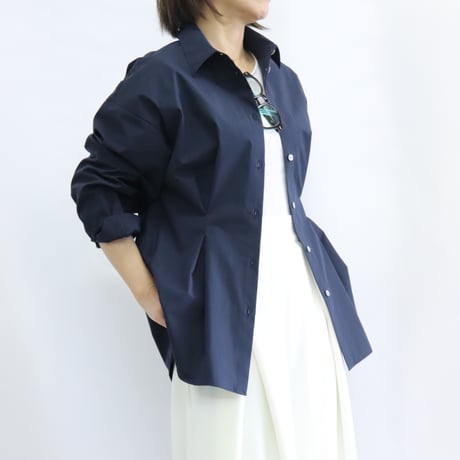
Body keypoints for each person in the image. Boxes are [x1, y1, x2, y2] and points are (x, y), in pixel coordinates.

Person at [70, 0, 373, 458]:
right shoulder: (164, 78)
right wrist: (150, 293)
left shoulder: (282, 79)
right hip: (221, 309)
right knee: (234, 441)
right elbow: (99, 187)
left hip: (305, 300)